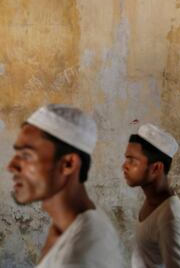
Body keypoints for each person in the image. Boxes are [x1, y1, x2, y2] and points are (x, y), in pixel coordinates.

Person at [8, 104, 123, 268]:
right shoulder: (66, 225)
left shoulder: (80, 256)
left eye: (26, 155)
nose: (11, 166)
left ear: (68, 164)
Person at [122, 123, 180, 268]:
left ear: (156, 168)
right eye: (126, 158)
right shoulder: (152, 201)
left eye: (132, 160)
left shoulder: (171, 217)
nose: (124, 166)